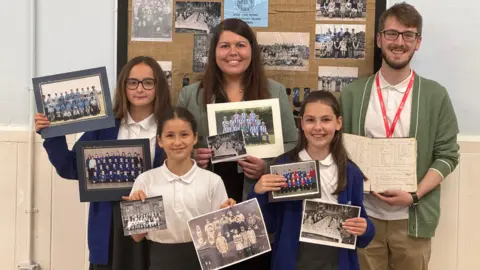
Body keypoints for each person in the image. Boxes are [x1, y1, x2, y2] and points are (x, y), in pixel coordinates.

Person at [340, 3, 459, 270]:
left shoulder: (435, 95)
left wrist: (414, 195)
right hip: (363, 218)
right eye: (392, 34)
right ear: (379, 38)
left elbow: (448, 155)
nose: (399, 42)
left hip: (412, 221)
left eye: (408, 35)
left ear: (418, 42)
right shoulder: (353, 94)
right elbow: (338, 152)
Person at [176, 19, 297, 269]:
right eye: (225, 46)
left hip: (256, 205)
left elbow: (293, 145)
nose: (233, 52)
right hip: (206, 207)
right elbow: (175, 142)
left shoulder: (274, 91)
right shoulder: (191, 95)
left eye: (241, 45)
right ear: (214, 52)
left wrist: (266, 167)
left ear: (252, 50)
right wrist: (191, 157)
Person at [34, 56, 172, 270]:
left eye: (148, 82)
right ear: (123, 86)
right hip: (109, 223)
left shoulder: (170, 126)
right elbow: (70, 167)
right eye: (132, 82)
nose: (140, 89)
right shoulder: (105, 126)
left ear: (158, 86)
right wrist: (52, 133)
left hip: (154, 221)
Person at [249, 90, 375, 270]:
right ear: (301, 124)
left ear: (338, 123)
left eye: (326, 120)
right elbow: (268, 224)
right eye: (310, 120)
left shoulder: (350, 172)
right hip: (293, 259)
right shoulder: (283, 166)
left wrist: (365, 228)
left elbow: (362, 228)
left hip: (336, 260)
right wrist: (258, 192)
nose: (318, 127)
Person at [122, 107, 236, 270]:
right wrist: (137, 210)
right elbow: (137, 237)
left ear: (195, 138)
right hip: (161, 259)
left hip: (204, 260)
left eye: (184, 134)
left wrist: (228, 213)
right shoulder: (146, 180)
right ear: (160, 140)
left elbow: (221, 233)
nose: (177, 142)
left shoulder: (212, 181)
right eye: (170, 136)